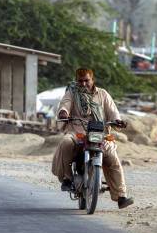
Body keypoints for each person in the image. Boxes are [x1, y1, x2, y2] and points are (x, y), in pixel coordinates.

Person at [51, 68, 134, 209]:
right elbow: (64, 106)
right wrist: (64, 113)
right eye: (80, 81)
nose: (83, 84)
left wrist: (118, 121)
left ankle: (121, 196)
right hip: (77, 133)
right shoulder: (71, 93)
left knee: (113, 158)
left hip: (100, 134)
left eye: (86, 80)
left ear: (92, 80)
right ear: (77, 81)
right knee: (65, 142)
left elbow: (113, 112)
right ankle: (67, 178)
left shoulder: (103, 94)